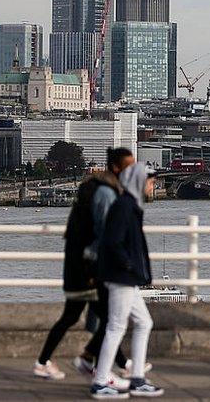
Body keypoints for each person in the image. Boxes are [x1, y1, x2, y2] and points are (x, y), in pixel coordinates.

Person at [34, 147, 135, 384]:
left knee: (82, 317)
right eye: (129, 167)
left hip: (81, 264)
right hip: (88, 267)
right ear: (116, 168)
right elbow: (106, 233)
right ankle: (102, 368)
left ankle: (109, 363)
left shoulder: (98, 189)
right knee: (108, 320)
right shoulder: (107, 194)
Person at [90, 164, 163, 399]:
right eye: (151, 182)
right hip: (120, 276)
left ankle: (137, 378)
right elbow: (113, 242)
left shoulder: (129, 205)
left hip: (125, 277)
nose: (154, 187)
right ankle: (101, 381)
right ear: (140, 182)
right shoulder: (125, 207)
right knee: (116, 327)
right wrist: (129, 265)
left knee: (144, 322)